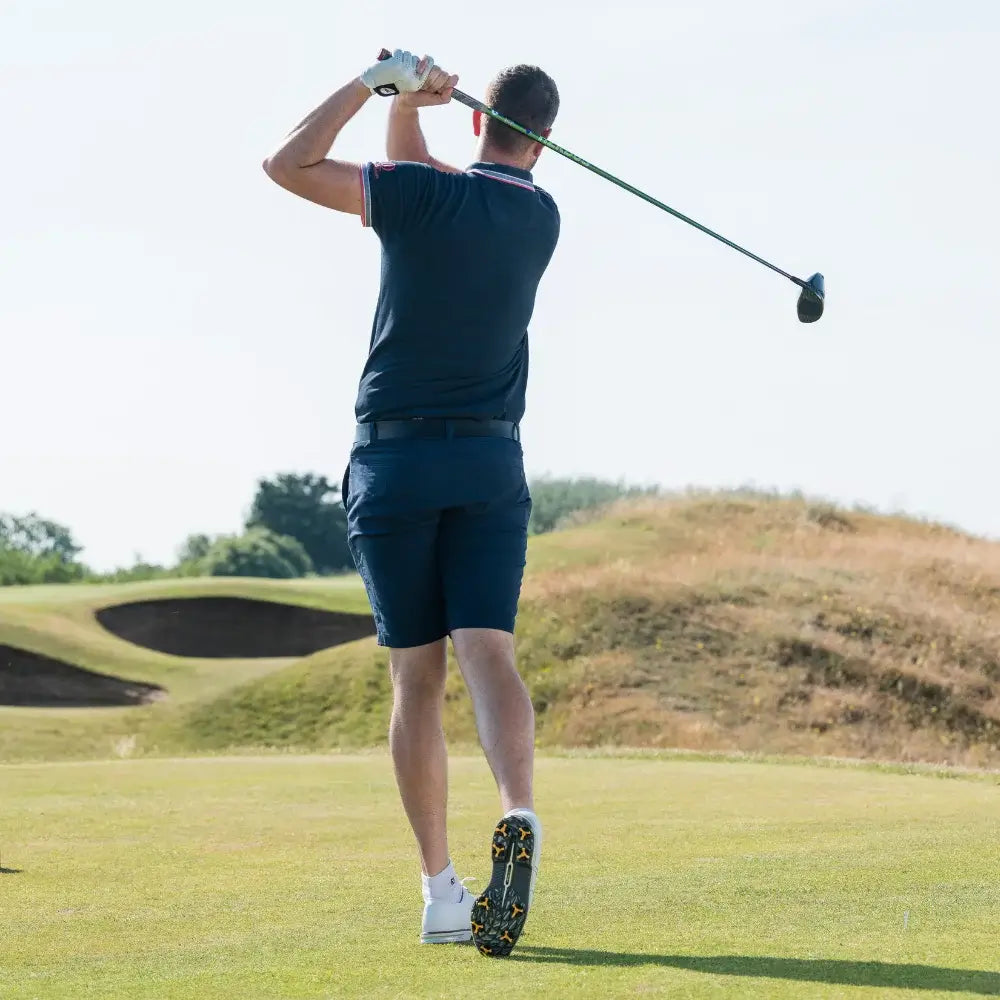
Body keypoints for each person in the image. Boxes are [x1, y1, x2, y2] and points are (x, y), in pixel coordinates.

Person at [262, 48, 560, 958]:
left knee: (416, 677)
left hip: (395, 463)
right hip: (489, 463)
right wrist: (407, 108)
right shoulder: (539, 216)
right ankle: (518, 809)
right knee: (489, 653)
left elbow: (288, 164)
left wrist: (375, 86)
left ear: (476, 119)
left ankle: (439, 891)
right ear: (544, 140)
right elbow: (424, 179)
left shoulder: (418, 196)